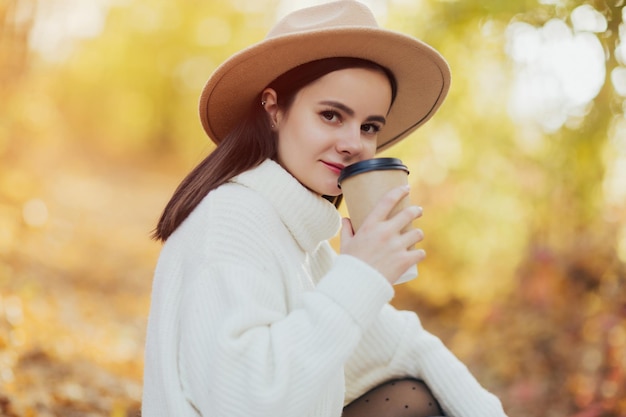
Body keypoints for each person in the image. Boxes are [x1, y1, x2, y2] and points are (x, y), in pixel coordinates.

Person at [141, 1, 508, 416]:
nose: (354, 143)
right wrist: (359, 278)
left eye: (369, 126)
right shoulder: (232, 220)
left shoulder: (305, 241)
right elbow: (245, 402)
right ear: (273, 109)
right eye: (332, 115)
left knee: (417, 393)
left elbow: (407, 345)